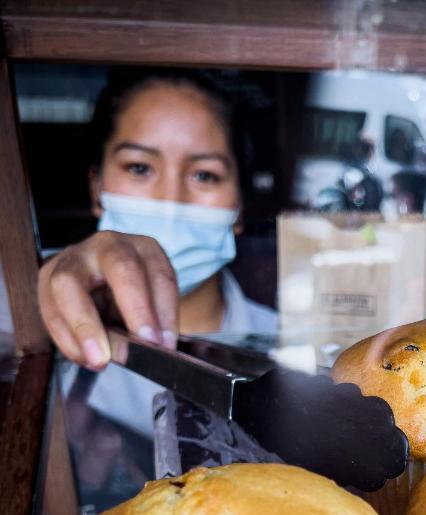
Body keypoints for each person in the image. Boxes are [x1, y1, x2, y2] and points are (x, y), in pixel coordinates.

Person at [38, 67, 277, 439]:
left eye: (205, 175)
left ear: (240, 208)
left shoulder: (285, 350)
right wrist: (44, 279)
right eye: (139, 168)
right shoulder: (36, 339)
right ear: (96, 188)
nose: (170, 200)